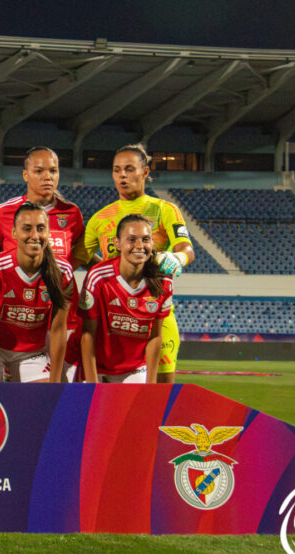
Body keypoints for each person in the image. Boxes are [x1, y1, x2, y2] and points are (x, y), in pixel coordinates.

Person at [82, 143, 193, 383]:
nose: (122, 175)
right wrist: (104, 270)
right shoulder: (100, 218)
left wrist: (177, 258)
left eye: (130, 169)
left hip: (155, 319)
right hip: (114, 321)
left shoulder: (164, 209)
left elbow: (186, 249)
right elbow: (79, 256)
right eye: (117, 170)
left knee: (159, 395)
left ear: (145, 172)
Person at [0, 146, 85, 382]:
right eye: (39, 171)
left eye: (53, 171)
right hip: (16, 320)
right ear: (25, 174)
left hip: (56, 316)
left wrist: (55, 278)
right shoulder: (4, 213)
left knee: (58, 390)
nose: (48, 177)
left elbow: (78, 253)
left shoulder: (72, 213)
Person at [0, 203, 73, 383]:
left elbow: (58, 329)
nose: (35, 236)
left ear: (49, 233)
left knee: (43, 402)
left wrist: (55, 382)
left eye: (41, 229)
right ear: (14, 233)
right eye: (27, 229)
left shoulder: (62, 271)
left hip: (33, 354)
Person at [80, 214, 173, 383]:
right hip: (97, 368)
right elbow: (88, 335)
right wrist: (92, 385)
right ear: (117, 243)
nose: (139, 246)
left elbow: (155, 337)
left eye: (145, 239)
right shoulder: (98, 276)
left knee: (140, 409)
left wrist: (150, 384)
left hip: (134, 369)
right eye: (131, 239)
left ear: (152, 243)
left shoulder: (164, 280)